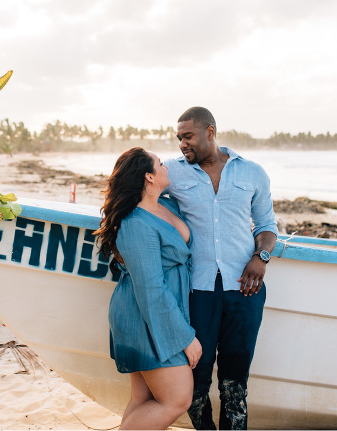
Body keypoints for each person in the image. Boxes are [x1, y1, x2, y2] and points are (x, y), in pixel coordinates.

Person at [164, 107, 278, 430]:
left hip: (245, 290)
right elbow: (140, 189)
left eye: (188, 137)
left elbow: (267, 225)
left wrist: (262, 257)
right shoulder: (173, 171)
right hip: (198, 290)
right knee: (196, 380)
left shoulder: (252, 172)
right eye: (178, 138)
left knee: (235, 382)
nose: (182, 144)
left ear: (210, 132)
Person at [95, 147, 203, 430]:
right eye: (160, 163)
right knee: (177, 399)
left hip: (158, 311)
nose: (166, 166)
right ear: (149, 176)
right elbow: (150, 289)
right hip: (143, 316)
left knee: (143, 398)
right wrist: (185, 338)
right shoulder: (135, 224)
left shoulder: (165, 205)